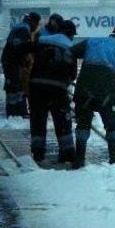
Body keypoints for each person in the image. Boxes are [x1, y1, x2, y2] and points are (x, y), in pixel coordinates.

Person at [71, 26, 115, 169]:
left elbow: (69, 53)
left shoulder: (92, 42)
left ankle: (79, 160)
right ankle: (114, 159)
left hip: (83, 90)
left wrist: (71, 76)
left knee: (82, 124)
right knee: (112, 126)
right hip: (106, 94)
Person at [28, 20, 78, 163]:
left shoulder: (41, 41)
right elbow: (73, 74)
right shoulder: (70, 47)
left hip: (36, 87)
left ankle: (38, 152)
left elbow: (29, 56)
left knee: (38, 119)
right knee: (62, 120)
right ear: (69, 34)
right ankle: (67, 151)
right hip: (57, 90)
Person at [1, 13, 41, 118]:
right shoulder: (23, 29)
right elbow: (21, 48)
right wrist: (34, 48)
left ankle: (17, 111)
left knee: (17, 86)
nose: (36, 27)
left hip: (12, 61)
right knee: (14, 87)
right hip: (12, 62)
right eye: (37, 24)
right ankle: (15, 112)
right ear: (33, 22)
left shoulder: (21, 26)